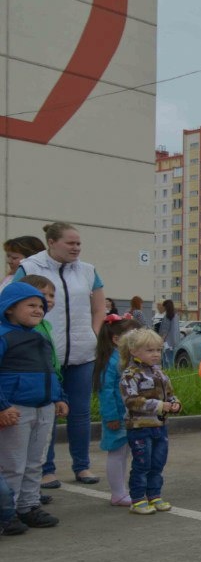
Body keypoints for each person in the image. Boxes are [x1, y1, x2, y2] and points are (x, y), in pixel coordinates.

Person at [14, 222, 106, 488]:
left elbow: (99, 308)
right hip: (43, 356)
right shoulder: (30, 267)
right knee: (47, 413)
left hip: (81, 352)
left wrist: (92, 332)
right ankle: (47, 468)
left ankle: (82, 466)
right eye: (70, 243)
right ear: (52, 242)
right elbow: (15, 303)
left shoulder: (88, 271)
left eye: (79, 243)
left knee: (79, 413)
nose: (76, 248)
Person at [0, 282, 68, 528]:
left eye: (41, 306)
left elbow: (50, 370)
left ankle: (28, 506)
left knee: (35, 462)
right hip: (15, 410)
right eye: (31, 305)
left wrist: (59, 397)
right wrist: (2, 406)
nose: (39, 310)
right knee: (13, 464)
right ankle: (7, 513)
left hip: (44, 408)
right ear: (9, 308)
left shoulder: (40, 337)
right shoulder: (3, 335)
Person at [119, 329, 180, 515]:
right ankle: (137, 499)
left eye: (158, 350)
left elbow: (169, 394)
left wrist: (174, 403)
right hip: (139, 427)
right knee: (142, 464)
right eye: (150, 350)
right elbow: (131, 401)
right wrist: (159, 405)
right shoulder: (130, 375)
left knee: (157, 463)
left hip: (160, 426)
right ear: (134, 351)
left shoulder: (159, 373)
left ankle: (154, 495)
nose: (155, 354)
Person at [94, 317, 141, 506]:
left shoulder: (124, 359)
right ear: (116, 339)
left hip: (128, 414)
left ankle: (121, 490)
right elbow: (105, 392)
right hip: (117, 416)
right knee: (117, 453)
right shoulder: (112, 362)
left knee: (124, 453)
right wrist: (111, 416)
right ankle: (118, 493)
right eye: (133, 335)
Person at [156, 299, 180, 368]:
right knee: (172, 359)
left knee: (167, 360)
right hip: (175, 341)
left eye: (163, 307)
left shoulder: (167, 317)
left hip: (167, 343)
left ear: (166, 307)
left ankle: (168, 374)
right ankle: (171, 373)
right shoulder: (175, 316)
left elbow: (165, 331)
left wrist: (161, 341)